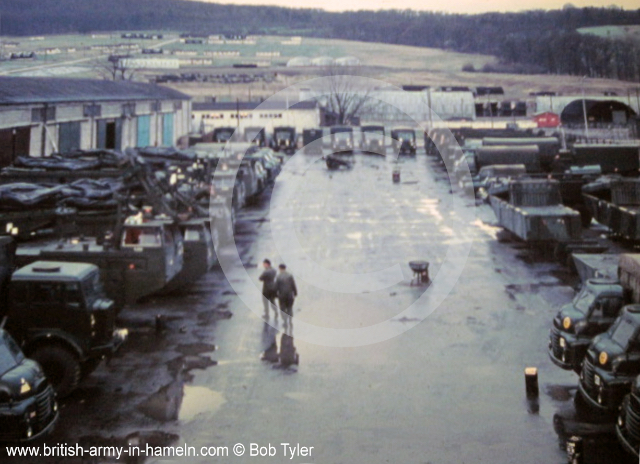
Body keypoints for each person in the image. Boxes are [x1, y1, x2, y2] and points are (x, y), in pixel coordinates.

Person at [275, 264, 297, 329]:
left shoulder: (278, 277)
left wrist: (275, 294)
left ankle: (285, 321)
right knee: (289, 307)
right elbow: (293, 285)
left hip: (282, 296)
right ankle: (290, 320)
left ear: (280, 269)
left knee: (283, 308)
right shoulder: (290, 276)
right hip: (290, 295)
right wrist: (295, 292)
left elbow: (276, 287)